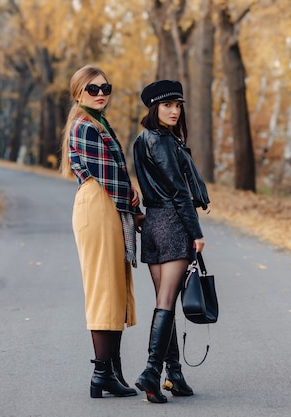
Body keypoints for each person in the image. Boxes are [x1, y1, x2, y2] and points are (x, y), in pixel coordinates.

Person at [61, 65, 144, 399]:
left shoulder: (97, 122)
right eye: (92, 89)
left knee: (115, 286)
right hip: (99, 205)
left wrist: (129, 193)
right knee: (103, 290)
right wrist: (134, 206)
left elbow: (114, 172)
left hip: (106, 203)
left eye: (105, 87)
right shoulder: (84, 124)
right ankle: (101, 374)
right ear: (78, 91)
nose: (100, 93)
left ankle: (113, 370)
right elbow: (107, 174)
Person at [132, 80, 210, 404]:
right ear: (154, 109)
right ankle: (151, 371)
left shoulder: (143, 140)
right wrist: (196, 233)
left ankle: (174, 374)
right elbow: (180, 192)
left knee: (166, 301)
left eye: (178, 105)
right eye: (167, 106)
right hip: (172, 224)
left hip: (152, 224)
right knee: (166, 302)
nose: (175, 111)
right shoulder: (162, 140)